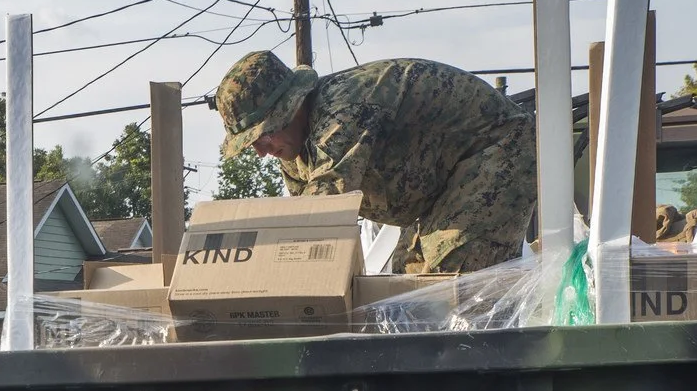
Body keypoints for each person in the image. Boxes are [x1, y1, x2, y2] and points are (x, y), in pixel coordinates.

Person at [215, 50, 537, 275]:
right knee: (407, 286)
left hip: (496, 145)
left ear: (289, 109)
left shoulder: (343, 107)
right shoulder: (294, 154)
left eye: (261, 137)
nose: (260, 151)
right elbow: (303, 240)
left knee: (455, 276)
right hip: (442, 188)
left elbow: (322, 210)